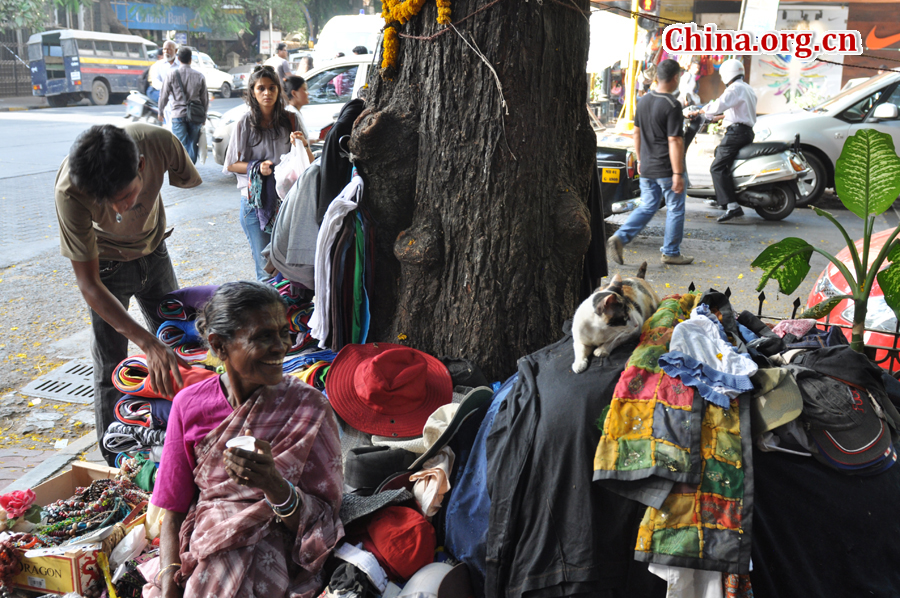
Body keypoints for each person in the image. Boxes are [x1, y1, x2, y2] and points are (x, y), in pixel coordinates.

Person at [153, 281, 343, 598]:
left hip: (284, 560)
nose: (281, 346)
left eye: (283, 333)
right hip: (211, 549)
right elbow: (172, 515)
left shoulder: (310, 407)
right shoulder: (190, 405)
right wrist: (166, 587)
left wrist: (272, 483)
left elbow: (323, 522)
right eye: (262, 337)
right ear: (220, 345)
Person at [55, 123, 202, 465]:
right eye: (107, 205)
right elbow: (89, 284)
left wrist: (159, 344)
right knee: (112, 364)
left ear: (141, 165)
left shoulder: (159, 143)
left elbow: (189, 178)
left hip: (155, 249)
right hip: (104, 265)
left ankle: (187, 431)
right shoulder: (70, 192)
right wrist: (146, 344)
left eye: (125, 198)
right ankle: (118, 460)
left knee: (181, 340)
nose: (119, 212)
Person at [223, 66, 307, 281]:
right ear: (252, 91)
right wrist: (257, 166)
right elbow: (231, 164)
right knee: (266, 271)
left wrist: (302, 145)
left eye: (272, 88)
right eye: (261, 88)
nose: (267, 93)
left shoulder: (291, 120)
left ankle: (288, 313)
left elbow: (307, 163)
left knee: (290, 269)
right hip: (254, 204)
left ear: (279, 90)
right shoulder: (244, 122)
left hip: (288, 203)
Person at [607, 59, 693, 266]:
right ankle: (671, 252)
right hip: (666, 168)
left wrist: (640, 160)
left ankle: (620, 237)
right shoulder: (672, 105)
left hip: (647, 166)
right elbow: (674, 140)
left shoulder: (643, 101)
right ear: (675, 78)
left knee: (647, 206)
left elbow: (636, 134)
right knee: (675, 208)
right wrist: (677, 174)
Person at [693, 58, 757, 222]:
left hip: (736, 133)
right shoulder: (747, 88)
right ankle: (721, 196)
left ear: (727, 74)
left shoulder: (734, 89)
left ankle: (732, 206)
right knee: (721, 158)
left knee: (717, 167)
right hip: (746, 132)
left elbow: (718, 105)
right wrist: (718, 118)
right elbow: (737, 112)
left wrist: (701, 111)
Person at [159, 47, 209, 164]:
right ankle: (190, 169)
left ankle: (185, 171)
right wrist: (204, 116)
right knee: (192, 144)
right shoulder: (199, 76)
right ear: (190, 59)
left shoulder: (171, 74)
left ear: (178, 58)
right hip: (195, 115)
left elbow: (164, 95)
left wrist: (160, 111)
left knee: (180, 144)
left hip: (178, 114)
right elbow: (204, 99)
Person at [285, 75, 315, 161]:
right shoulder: (293, 115)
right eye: (304, 90)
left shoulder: (295, 112)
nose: (307, 93)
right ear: (294, 93)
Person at [151, 41, 179, 117]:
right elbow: (155, 81)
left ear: (176, 51)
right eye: (164, 49)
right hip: (166, 103)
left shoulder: (181, 64)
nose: (166, 52)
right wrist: (166, 87)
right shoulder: (158, 65)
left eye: (169, 49)